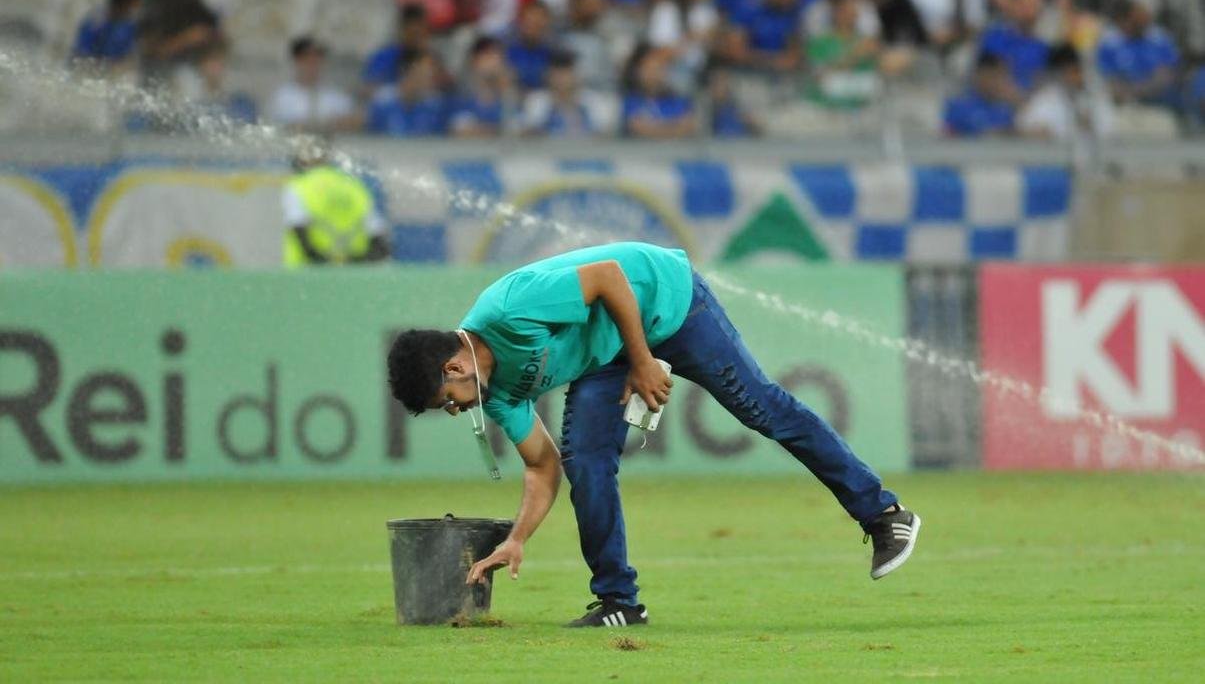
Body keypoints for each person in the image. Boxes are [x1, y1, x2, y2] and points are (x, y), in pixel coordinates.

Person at [386, 242, 920, 628]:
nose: (455, 411)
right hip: (608, 353)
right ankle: (618, 601)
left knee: (762, 408)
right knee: (584, 460)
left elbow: (608, 277)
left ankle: (884, 515)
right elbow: (541, 466)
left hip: (667, 300)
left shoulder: (508, 310)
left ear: (455, 367)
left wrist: (643, 361)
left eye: (447, 401)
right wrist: (518, 538)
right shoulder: (497, 394)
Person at [282, 145, 390, 266]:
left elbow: (298, 228)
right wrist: (357, 261)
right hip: (353, 271)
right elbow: (377, 235)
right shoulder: (355, 187)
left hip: (307, 270)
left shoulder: (299, 186)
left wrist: (324, 261)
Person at [1096, 0, 1180, 110]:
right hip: (1121, 107)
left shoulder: (1160, 38)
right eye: (1140, 11)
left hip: (1159, 104)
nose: (1146, 16)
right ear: (1129, 12)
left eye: (1147, 12)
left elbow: (1167, 76)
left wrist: (1137, 90)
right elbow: (1106, 80)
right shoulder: (1108, 41)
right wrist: (1125, 92)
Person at [1018, 43, 1114, 142]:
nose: (1074, 77)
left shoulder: (1095, 96)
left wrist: (1090, 124)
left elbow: (1109, 129)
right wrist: (1036, 132)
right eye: (1068, 72)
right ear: (1059, 73)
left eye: (1076, 71)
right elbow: (1024, 125)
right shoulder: (1047, 98)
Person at [267, 36, 359, 133]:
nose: (312, 64)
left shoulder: (337, 97)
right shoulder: (281, 97)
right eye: (306, 59)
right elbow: (272, 126)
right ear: (296, 61)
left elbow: (354, 123)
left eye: (317, 59)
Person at [365, 49, 449, 136]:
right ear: (407, 71)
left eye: (430, 74)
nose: (428, 79)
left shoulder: (434, 106)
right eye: (423, 73)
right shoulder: (382, 103)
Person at [72, 0, 143, 68]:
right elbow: (80, 55)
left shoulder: (132, 24)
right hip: (93, 70)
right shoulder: (95, 22)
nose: (140, 2)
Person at [943, 52, 1020, 137]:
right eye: (993, 76)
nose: (998, 82)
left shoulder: (1004, 110)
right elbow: (947, 137)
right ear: (978, 75)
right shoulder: (958, 106)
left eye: (1002, 76)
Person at [451, 36, 513, 138]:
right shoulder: (460, 99)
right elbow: (459, 131)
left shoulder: (509, 100)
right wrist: (500, 130)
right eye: (489, 55)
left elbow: (523, 130)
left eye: (499, 56)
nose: (495, 62)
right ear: (474, 60)